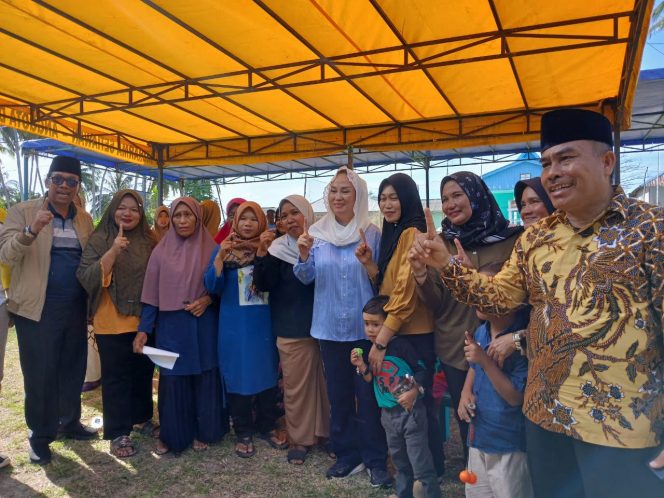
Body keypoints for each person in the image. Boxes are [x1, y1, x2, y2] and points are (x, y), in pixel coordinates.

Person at [411, 108, 664, 497]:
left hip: (624, 428)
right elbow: (497, 299)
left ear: (607, 161)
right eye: (547, 163)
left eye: (566, 158)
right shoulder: (536, 239)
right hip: (545, 418)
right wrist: (445, 265)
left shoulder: (651, 230)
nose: (552, 173)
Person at [409, 171, 522, 462]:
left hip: (505, 344)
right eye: (445, 198)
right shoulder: (441, 243)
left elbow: (522, 296)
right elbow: (434, 302)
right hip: (455, 345)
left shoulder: (511, 240)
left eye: (457, 195)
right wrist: (421, 273)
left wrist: (472, 276)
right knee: (467, 413)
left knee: (506, 412)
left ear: (477, 195)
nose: (450, 204)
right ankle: (474, 479)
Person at [295, 166, 390, 487]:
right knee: (338, 396)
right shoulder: (316, 234)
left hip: (364, 332)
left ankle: (375, 458)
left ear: (358, 196)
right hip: (328, 330)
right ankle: (347, 455)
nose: (338, 196)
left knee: (369, 397)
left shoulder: (371, 232)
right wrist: (304, 255)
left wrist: (368, 264)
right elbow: (306, 278)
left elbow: (380, 283)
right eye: (333, 191)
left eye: (345, 191)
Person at [0, 156, 97, 464]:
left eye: (71, 181)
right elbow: (5, 255)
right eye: (58, 179)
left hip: (75, 306)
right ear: (48, 180)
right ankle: (40, 436)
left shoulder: (84, 218)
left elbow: (89, 263)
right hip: (36, 308)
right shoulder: (23, 211)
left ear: (78, 186)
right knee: (40, 374)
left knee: (73, 367)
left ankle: (69, 422)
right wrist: (31, 230)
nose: (64, 186)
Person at [355, 172, 444, 477]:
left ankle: (429, 469)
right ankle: (408, 467)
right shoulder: (395, 233)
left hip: (413, 334)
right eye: (382, 198)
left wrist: (380, 342)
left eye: (394, 197)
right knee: (399, 401)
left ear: (407, 199)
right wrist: (370, 266)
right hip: (397, 331)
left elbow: (404, 296)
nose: (387, 204)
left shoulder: (413, 232)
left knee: (417, 403)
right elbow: (388, 289)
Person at [134, 197, 226, 455]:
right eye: (178, 215)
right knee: (172, 380)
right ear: (171, 219)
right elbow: (151, 295)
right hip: (171, 327)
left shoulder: (213, 248)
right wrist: (143, 329)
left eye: (188, 215)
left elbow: (223, 288)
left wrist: (207, 300)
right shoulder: (160, 252)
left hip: (203, 324)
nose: (183, 220)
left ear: (198, 218)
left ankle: (204, 430)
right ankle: (172, 434)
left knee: (204, 377)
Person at [77, 189, 157, 458]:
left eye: (134, 209)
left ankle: (142, 418)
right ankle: (118, 431)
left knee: (142, 372)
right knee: (116, 378)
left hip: (143, 320)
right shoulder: (100, 239)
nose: (128, 213)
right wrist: (112, 251)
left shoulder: (149, 239)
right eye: (122, 208)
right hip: (110, 320)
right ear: (113, 210)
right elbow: (85, 277)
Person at [205, 201, 285, 459]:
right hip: (234, 327)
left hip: (263, 324)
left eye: (253, 219)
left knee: (266, 373)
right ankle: (243, 431)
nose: (248, 224)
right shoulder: (224, 250)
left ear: (262, 222)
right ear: (234, 222)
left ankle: (267, 425)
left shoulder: (273, 248)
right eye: (243, 219)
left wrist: (264, 250)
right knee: (238, 375)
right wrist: (219, 256)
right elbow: (211, 286)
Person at [253, 194, 330, 465]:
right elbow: (263, 284)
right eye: (284, 216)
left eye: (294, 213)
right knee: (296, 387)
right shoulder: (277, 249)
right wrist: (262, 252)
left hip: (326, 327)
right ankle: (299, 438)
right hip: (292, 327)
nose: (289, 219)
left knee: (324, 384)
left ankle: (325, 433)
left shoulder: (325, 243)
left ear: (307, 214)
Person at [351, 295, 441, 498]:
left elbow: (423, 371)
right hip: (388, 415)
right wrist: (362, 366)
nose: (370, 330)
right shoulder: (371, 350)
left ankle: (430, 493)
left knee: (420, 462)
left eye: (376, 324)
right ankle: (403, 494)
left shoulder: (401, 346)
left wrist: (413, 390)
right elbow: (370, 379)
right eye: (366, 324)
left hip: (411, 413)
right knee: (399, 461)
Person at [459, 262, 534, 498]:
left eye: (488, 289)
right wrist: (465, 393)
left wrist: (485, 360)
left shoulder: (520, 343)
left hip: (507, 444)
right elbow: (474, 368)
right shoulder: (481, 331)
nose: (479, 296)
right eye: (477, 287)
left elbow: (515, 398)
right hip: (478, 437)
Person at [486, 177, 556, 367]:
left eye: (534, 201)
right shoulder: (524, 246)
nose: (526, 210)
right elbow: (502, 293)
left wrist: (518, 338)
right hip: (528, 353)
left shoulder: (572, 248)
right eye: (522, 204)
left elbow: (565, 318)